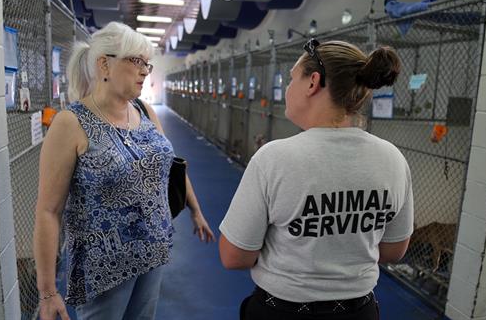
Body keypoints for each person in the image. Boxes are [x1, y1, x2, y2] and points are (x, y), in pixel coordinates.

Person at [219, 39, 413, 320]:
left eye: (291, 79)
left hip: (283, 310)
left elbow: (234, 256)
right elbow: (394, 250)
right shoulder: (392, 158)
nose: (287, 89)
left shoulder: (274, 158)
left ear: (313, 82)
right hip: (359, 311)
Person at [33, 21, 215, 320]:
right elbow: (48, 211)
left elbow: (171, 166)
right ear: (104, 65)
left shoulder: (143, 111)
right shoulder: (71, 123)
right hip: (104, 267)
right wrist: (48, 291)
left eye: (148, 64)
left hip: (153, 252)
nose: (145, 71)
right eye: (136, 61)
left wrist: (195, 210)